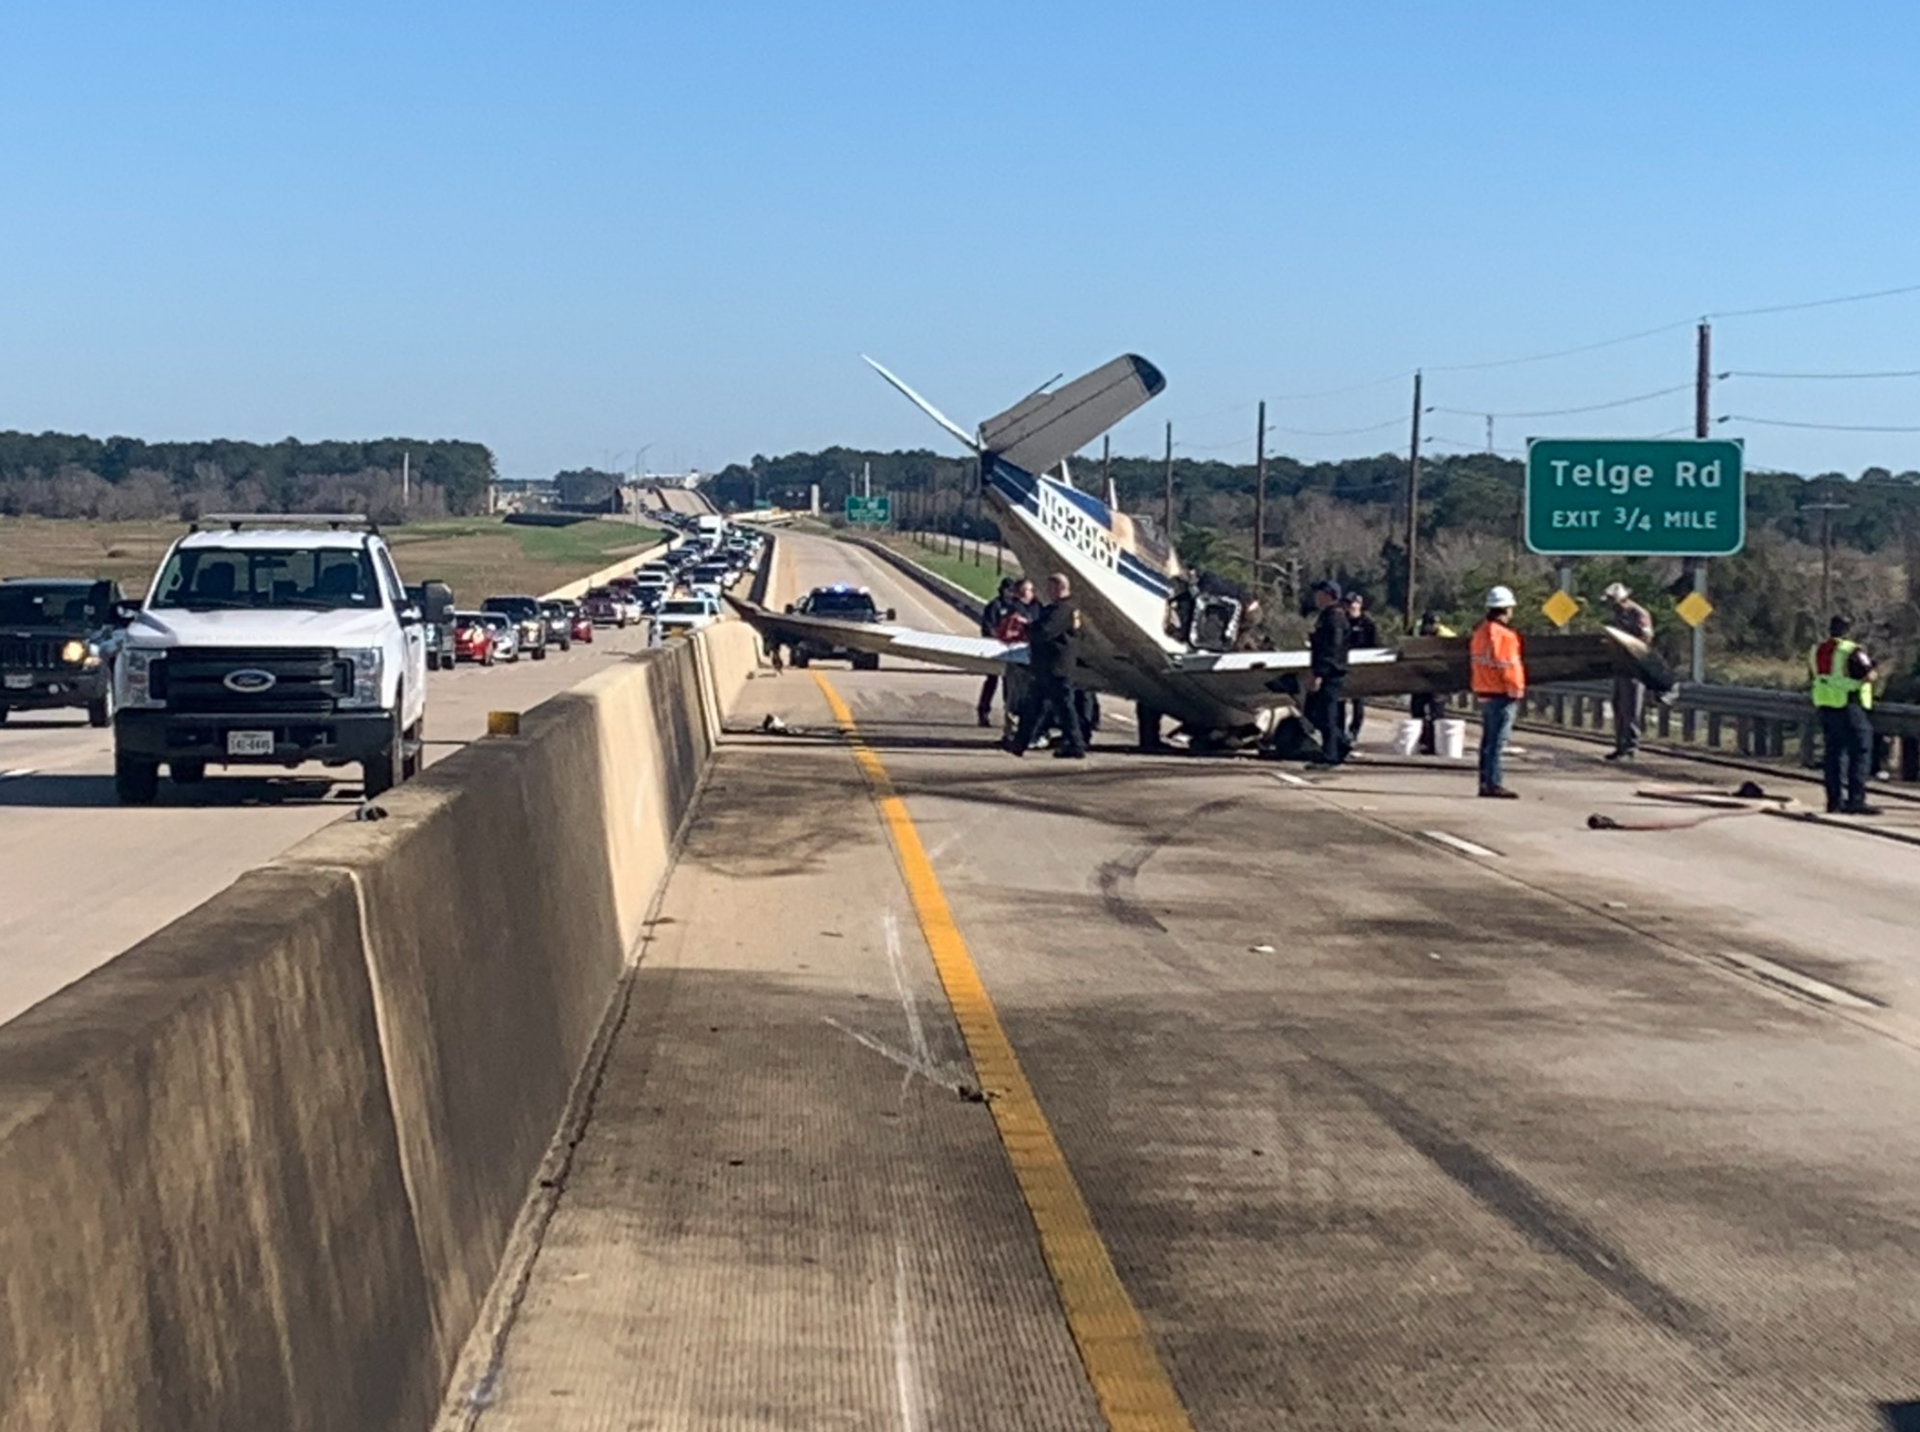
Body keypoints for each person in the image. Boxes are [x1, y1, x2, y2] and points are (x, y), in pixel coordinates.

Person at [1009, 573, 1086, 760]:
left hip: (1056, 667)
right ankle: (1019, 743)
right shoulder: (1057, 609)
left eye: (1051, 588)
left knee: (1064, 709)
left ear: (1060, 588)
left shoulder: (1064, 609)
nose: (1048, 592)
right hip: (1046, 667)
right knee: (1034, 706)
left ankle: (1076, 744)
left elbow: (1045, 632)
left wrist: (1027, 628)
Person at [1809, 614, 1880, 815]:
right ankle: (1855, 800)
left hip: (1826, 706)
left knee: (1833, 755)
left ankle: (1834, 801)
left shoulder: (1817, 650)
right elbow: (1867, 675)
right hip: (1849, 706)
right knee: (1860, 752)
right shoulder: (1851, 650)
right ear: (1848, 630)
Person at [1470, 585, 1525, 798]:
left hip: (1484, 690)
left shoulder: (1480, 632)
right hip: (1502, 693)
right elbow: (1507, 665)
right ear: (1506, 609)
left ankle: (1485, 782)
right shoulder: (1505, 636)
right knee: (1497, 742)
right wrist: (1516, 689)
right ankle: (1493, 783)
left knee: (1488, 741)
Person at [1601, 581, 1654, 761]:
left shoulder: (1638, 614)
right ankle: (1620, 745)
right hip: (1620, 667)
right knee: (1619, 707)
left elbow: (1646, 638)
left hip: (1634, 668)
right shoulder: (1617, 615)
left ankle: (1630, 747)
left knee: (1631, 708)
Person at [1304, 580, 1351, 766]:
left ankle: (1330, 755)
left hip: (1331, 673)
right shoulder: (1327, 616)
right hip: (1326, 670)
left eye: (1320, 594)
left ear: (1329, 595)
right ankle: (1340, 745)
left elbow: (1332, 649)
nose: (1316, 597)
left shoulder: (1335, 618)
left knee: (1326, 715)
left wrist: (1319, 673)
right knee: (1315, 713)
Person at [995, 579, 1039, 740]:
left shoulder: (1036, 607)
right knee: (1014, 697)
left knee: (1029, 697)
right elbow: (1005, 634)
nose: (1032, 592)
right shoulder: (1014, 610)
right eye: (1029, 590)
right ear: (1021, 592)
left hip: (1032, 659)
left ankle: (1026, 732)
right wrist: (1026, 629)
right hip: (1017, 659)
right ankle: (1012, 732)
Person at [1409, 610, 1456, 755]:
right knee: (1417, 710)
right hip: (1419, 676)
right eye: (1429, 625)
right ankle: (1422, 740)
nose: (1431, 628)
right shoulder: (1415, 632)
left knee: (1437, 711)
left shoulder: (1445, 635)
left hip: (1438, 678)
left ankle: (1436, 743)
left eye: (1434, 625)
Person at [976, 576, 1017, 727]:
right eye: (1009, 590)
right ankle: (983, 710)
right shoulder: (995, 606)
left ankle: (1009, 714)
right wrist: (998, 639)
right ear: (1003, 590)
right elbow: (987, 627)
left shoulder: (1016, 606)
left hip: (1011, 651)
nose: (1011, 593)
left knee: (1009, 683)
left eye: (1013, 591)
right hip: (995, 650)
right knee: (992, 681)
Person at [1341, 590, 1379, 743]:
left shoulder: (1368, 624)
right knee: (1339, 701)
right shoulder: (1341, 622)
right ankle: (1340, 733)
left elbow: (1374, 646)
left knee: (1358, 702)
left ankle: (1354, 732)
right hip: (1343, 665)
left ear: (1359, 604)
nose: (1350, 607)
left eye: (1352, 604)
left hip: (1361, 668)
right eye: (1347, 604)